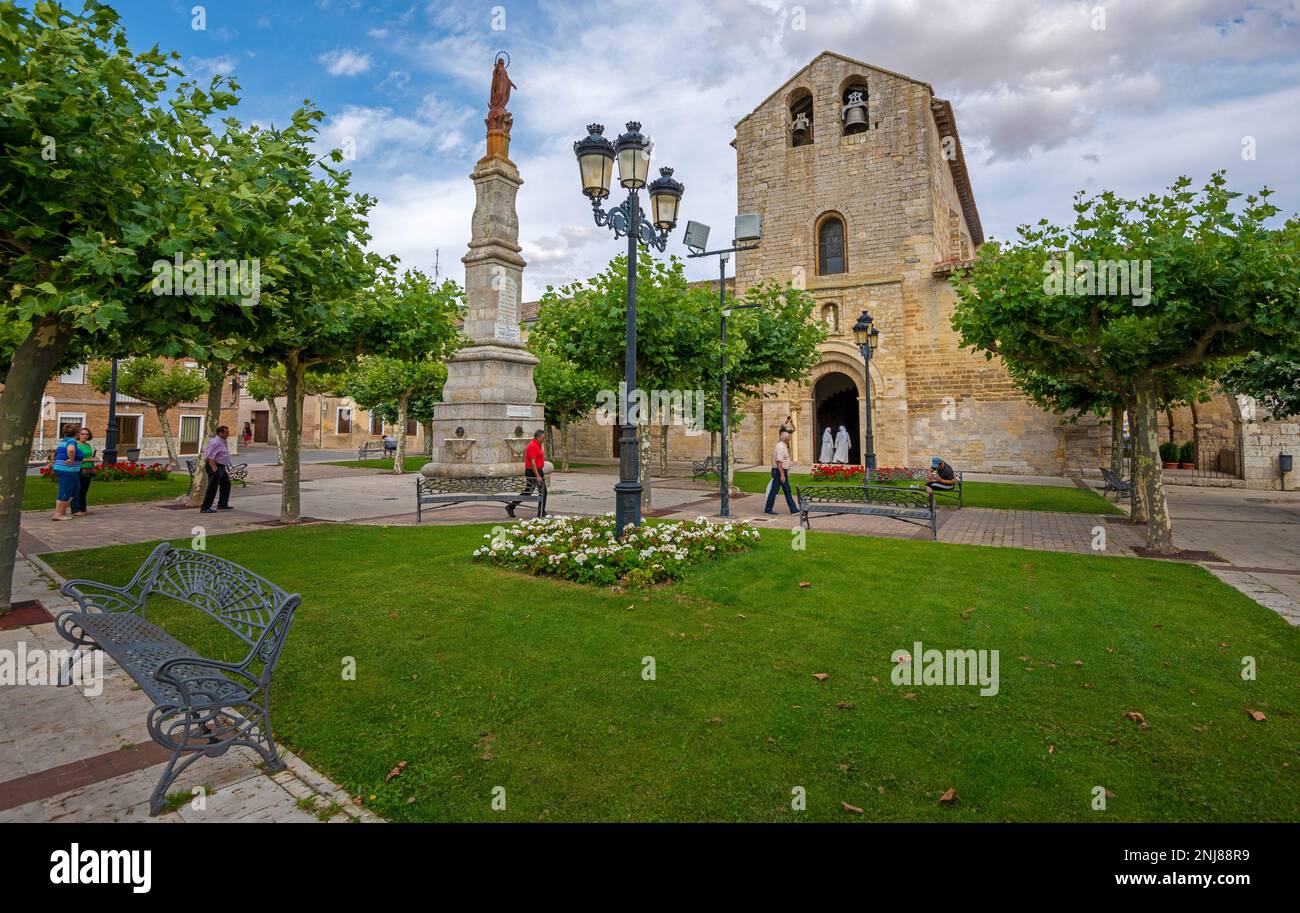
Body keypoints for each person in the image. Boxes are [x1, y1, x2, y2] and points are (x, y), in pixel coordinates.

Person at [506, 429, 547, 518]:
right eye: (543, 438)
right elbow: (532, 462)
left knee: (541, 491)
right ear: (538, 437)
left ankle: (541, 512)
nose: (544, 440)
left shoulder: (538, 444)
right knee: (531, 491)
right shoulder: (532, 446)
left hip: (538, 470)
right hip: (532, 471)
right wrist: (537, 476)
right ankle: (511, 506)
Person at [49, 423, 82, 521]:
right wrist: (71, 459)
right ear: (77, 433)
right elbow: (71, 450)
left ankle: (61, 511)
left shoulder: (64, 441)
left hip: (69, 470)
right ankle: (58, 514)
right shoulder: (72, 441)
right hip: (67, 470)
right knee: (65, 490)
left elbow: (57, 453)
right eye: (80, 431)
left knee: (75, 490)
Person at [764, 430, 799, 515]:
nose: (790, 439)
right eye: (789, 438)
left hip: (782, 471)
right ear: (785, 438)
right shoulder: (780, 446)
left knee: (787, 490)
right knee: (775, 491)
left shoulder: (783, 446)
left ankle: (793, 509)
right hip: (780, 471)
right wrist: (782, 475)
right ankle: (768, 509)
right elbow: (779, 461)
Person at [200, 425, 233, 514]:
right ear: (220, 433)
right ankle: (205, 507)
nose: (228, 434)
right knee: (212, 487)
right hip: (214, 466)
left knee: (226, 484)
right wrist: (215, 469)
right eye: (226, 432)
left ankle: (222, 504)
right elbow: (210, 457)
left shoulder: (223, 441)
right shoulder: (215, 442)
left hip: (221, 466)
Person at [72, 427, 96, 517]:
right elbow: (75, 459)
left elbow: (89, 457)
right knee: (78, 490)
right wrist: (90, 459)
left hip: (88, 470)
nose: (85, 436)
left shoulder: (88, 445)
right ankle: (75, 510)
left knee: (84, 490)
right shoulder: (76, 445)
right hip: (79, 469)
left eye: (87, 434)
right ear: (78, 435)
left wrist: (93, 460)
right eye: (82, 434)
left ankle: (83, 509)